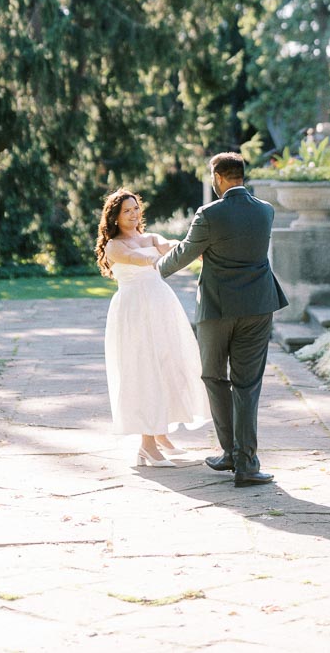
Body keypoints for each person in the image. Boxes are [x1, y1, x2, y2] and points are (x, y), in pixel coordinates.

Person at [156, 151, 287, 487]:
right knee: (248, 385)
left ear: (217, 177)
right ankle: (245, 463)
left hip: (217, 309)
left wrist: (153, 271)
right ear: (242, 175)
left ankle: (231, 451)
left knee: (214, 377)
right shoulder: (266, 211)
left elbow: (185, 253)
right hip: (259, 306)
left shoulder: (210, 214)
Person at [96, 188, 210, 467]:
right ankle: (146, 445)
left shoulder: (149, 237)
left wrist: (191, 251)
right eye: (127, 210)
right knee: (143, 369)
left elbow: (169, 244)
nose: (134, 214)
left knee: (168, 363)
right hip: (134, 309)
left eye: (136, 209)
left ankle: (161, 435)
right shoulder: (114, 245)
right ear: (115, 216)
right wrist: (158, 259)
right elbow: (139, 259)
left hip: (160, 304)